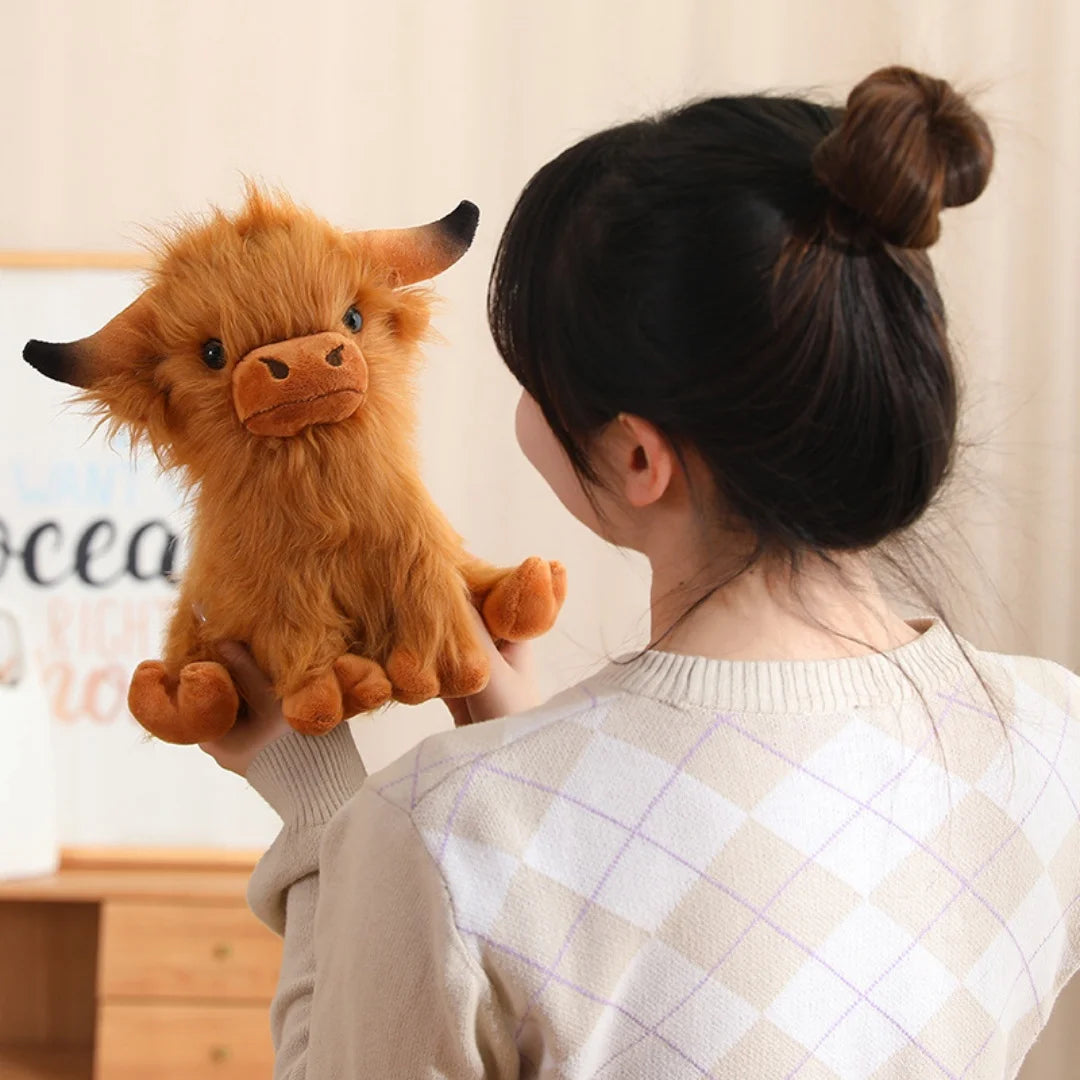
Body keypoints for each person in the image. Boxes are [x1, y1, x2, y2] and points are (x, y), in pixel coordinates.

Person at [202, 65, 1080, 1078]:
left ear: (635, 458)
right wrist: (517, 738)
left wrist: (324, 819)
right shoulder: (1050, 740)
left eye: (534, 378)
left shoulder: (440, 832)